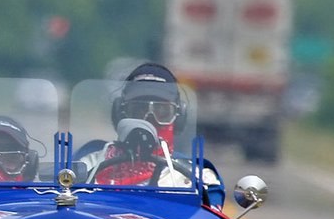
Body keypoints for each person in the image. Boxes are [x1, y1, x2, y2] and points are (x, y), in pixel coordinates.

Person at [78, 62, 225, 205]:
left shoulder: (198, 178)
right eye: (138, 110)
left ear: (179, 117)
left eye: (161, 111)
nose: (149, 120)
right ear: (119, 113)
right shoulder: (89, 163)